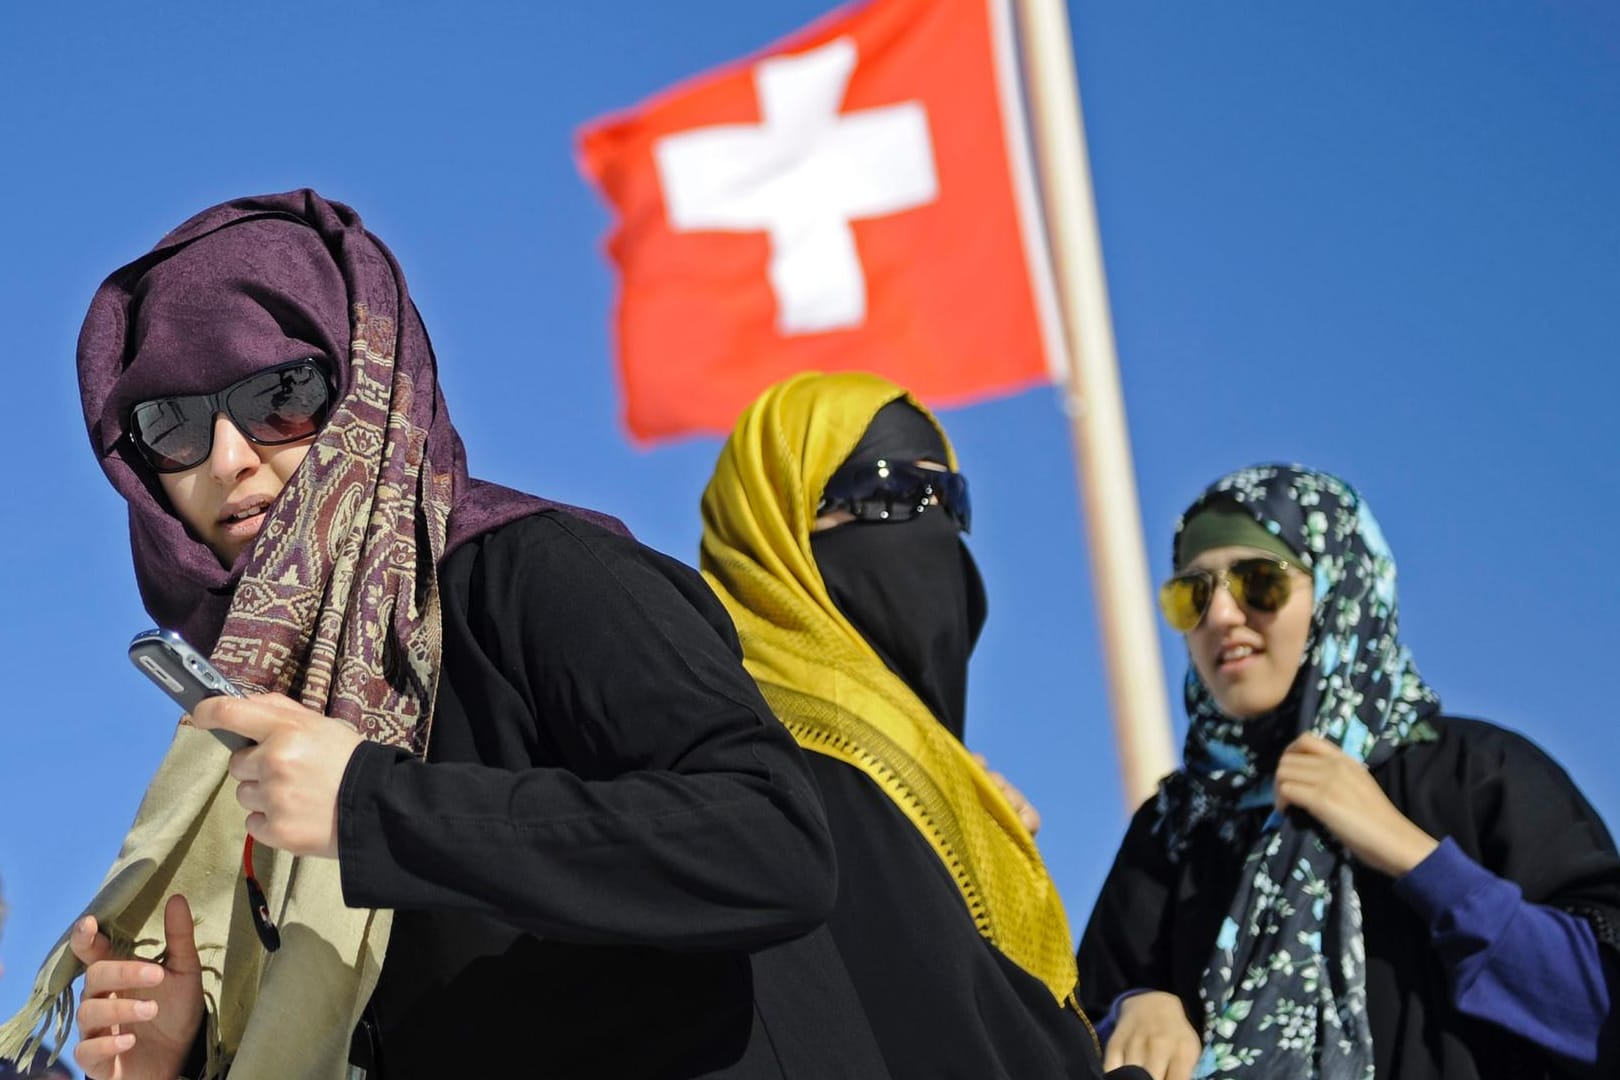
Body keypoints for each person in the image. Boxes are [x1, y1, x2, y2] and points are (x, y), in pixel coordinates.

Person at [0, 191, 891, 1079]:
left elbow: (774, 841)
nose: (228, 459)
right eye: (173, 427)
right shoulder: (258, 715)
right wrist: (188, 1057)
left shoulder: (541, 573)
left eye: (279, 394)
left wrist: (369, 809)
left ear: (367, 380)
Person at [1076, 464, 1620, 1080]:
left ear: (1341, 587)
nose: (1222, 615)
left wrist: (1415, 857)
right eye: (1192, 594)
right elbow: (1063, 1032)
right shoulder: (1174, 831)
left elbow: (1598, 1009)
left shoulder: (1474, 772)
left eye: (1259, 582)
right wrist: (1130, 1011)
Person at [699, 371, 1107, 1079]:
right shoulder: (762, 763)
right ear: (774, 523)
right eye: (885, 492)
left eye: (947, 496)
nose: (929, 523)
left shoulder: (925, 773)